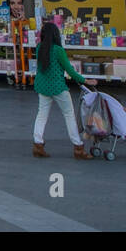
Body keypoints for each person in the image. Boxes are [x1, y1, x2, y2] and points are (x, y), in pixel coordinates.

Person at [32, 22, 96, 159]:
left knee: (41, 115)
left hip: (42, 87)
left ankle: (38, 145)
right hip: (58, 87)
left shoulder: (39, 48)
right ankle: (78, 147)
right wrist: (85, 81)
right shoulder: (58, 50)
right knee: (68, 115)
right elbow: (70, 70)